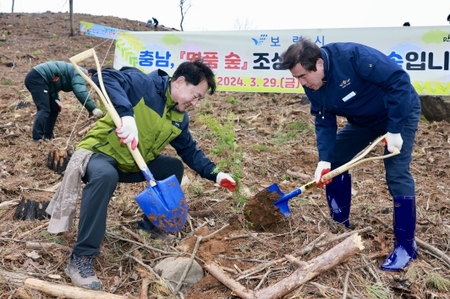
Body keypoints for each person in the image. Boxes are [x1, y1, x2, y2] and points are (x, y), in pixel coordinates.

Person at [59, 59, 236, 290]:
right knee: (105, 176)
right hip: (101, 153)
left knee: (172, 167)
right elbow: (108, 77)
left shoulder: (179, 117)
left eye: (199, 99)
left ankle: (149, 228)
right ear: (180, 81)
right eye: (195, 95)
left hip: (133, 163)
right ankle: (81, 257)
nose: (195, 102)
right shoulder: (145, 84)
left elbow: (190, 151)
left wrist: (216, 174)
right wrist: (127, 115)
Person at [280, 39, 421, 272]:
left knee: (396, 172)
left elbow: (399, 82)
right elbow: (324, 119)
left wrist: (395, 130)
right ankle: (340, 226)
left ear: (319, 63)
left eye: (303, 76)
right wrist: (324, 159)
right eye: (297, 78)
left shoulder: (354, 57)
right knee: (335, 161)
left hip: (398, 113)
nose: (301, 83)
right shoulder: (311, 81)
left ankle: (406, 246)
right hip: (364, 122)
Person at [25, 61, 104, 141]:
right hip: (37, 77)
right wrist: (93, 109)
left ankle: (48, 136)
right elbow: (80, 91)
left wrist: (56, 99)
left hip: (41, 80)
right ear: (89, 75)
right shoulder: (81, 73)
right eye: (92, 81)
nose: (90, 85)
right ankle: (37, 138)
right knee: (44, 109)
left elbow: (53, 84)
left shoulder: (75, 72)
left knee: (54, 109)